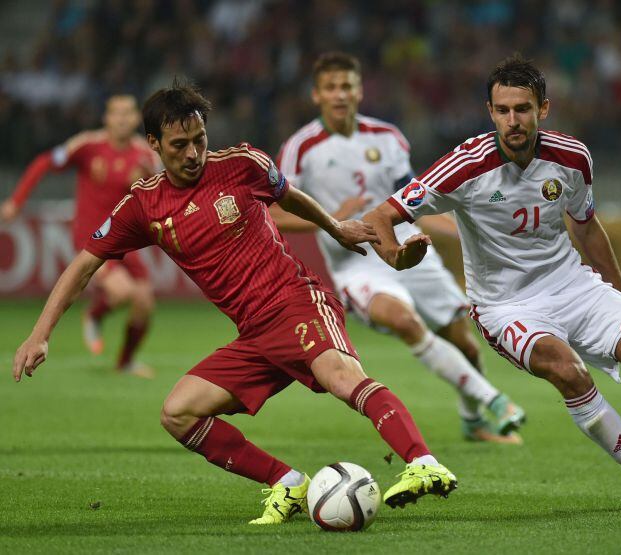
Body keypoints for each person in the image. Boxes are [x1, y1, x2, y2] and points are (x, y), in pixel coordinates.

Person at [12, 82, 457, 524]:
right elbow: (83, 265)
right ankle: (287, 483)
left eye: (199, 140)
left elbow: (291, 198)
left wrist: (336, 226)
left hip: (296, 301)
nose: (193, 153)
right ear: (154, 144)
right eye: (179, 144)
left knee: (342, 378)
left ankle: (423, 463)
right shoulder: (144, 205)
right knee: (178, 413)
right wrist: (39, 334)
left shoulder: (242, 164)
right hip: (254, 335)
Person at [363, 54, 621, 518]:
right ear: (490, 112)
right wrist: (395, 257)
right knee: (571, 374)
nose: (512, 121)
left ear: (543, 109)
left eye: (522, 109)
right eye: (502, 110)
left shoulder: (572, 157)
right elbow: (380, 217)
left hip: (571, 284)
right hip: (506, 306)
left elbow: (586, 228)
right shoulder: (463, 167)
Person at [271, 52, 525, 444]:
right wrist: (329, 219)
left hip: (409, 249)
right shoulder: (300, 147)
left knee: (466, 346)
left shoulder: (387, 138)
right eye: (331, 87)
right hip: (357, 263)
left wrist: (461, 229)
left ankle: (473, 421)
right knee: (404, 321)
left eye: (347, 86)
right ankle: (493, 401)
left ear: (359, 90)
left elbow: (415, 200)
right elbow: (274, 213)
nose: (340, 95)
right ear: (316, 95)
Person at [1, 95, 159, 378]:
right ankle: (95, 314)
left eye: (128, 113)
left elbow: (163, 191)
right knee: (123, 292)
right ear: (106, 118)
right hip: (92, 238)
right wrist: (17, 200)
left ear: (136, 119)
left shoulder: (146, 154)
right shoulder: (88, 145)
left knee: (145, 303)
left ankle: (125, 363)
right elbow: (44, 162)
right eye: (116, 113)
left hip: (127, 239)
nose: (122, 118)